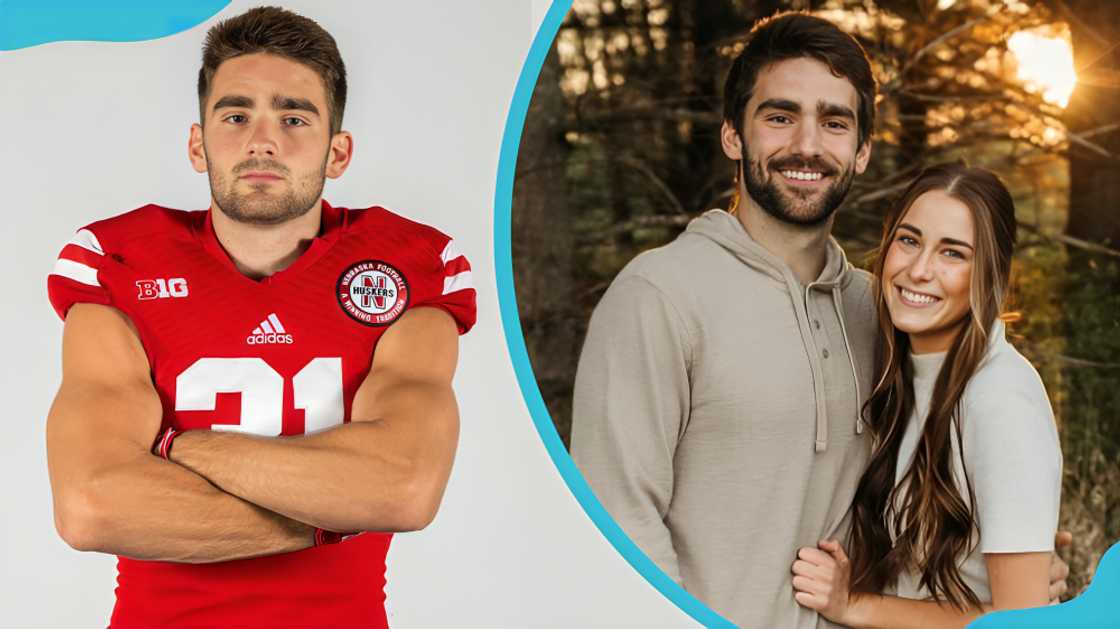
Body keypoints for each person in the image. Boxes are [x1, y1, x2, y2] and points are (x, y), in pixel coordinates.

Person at [570, 12, 1067, 628]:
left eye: (834, 123)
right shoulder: (659, 296)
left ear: (860, 152)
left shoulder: (879, 312)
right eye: (779, 117)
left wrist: (1002, 557)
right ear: (732, 134)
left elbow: (908, 494)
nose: (807, 145)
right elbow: (618, 527)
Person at [45, 7, 475, 628]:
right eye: (236, 115)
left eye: (294, 117)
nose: (262, 141)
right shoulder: (118, 261)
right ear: (199, 144)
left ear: (338, 152)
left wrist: (177, 449)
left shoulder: (410, 265)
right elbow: (91, 507)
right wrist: (338, 512)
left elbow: (403, 488)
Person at [790, 164, 1061, 628]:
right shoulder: (907, 370)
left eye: (952, 253)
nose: (918, 271)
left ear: (991, 273)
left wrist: (855, 603)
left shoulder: (1000, 400)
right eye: (909, 240)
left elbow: (1025, 621)